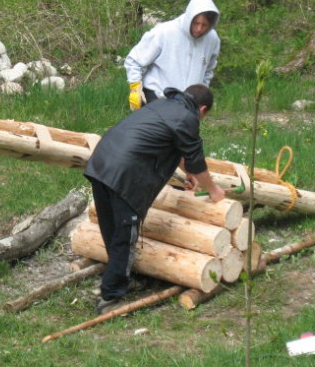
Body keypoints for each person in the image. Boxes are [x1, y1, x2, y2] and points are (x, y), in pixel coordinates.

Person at [84, 84, 225, 314]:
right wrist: (214, 190)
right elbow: (197, 161)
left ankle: (120, 277)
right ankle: (111, 297)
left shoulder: (163, 104)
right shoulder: (188, 117)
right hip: (125, 174)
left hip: (101, 163)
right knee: (125, 235)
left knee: (111, 227)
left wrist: (187, 173)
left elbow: (175, 145)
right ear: (202, 109)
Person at [125, 0, 220, 110]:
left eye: (204, 25)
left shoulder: (212, 39)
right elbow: (134, 60)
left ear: (211, 24)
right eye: (196, 23)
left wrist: (200, 94)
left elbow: (208, 70)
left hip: (187, 103)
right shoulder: (164, 32)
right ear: (189, 18)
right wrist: (135, 87)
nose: (199, 29)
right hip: (157, 99)